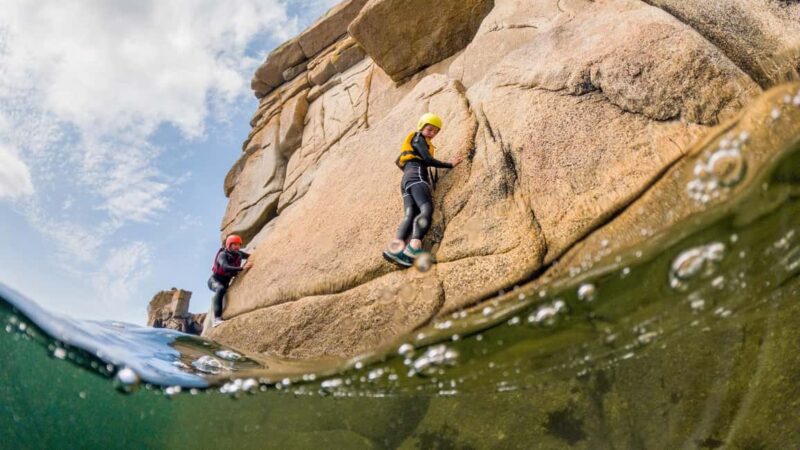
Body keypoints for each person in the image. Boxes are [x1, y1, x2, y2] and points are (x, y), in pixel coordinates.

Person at [383, 113, 464, 267]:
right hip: (417, 175)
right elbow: (427, 159)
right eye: (429, 129)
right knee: (426, 208)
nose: (432, 133)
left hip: (406, 180)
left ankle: (395, 249)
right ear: (422, 127)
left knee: (411, 213)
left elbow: (400, 162)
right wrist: (450, 164)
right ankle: (414, 247)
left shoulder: (412, 141)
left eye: (435, 131)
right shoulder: (418, 137)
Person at [208, 234, 252, 327]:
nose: (237, 247)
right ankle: (216, 319)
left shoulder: (239, 254)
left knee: (224, 289)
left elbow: (250, 256)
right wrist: (242, 268)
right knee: (220, 289)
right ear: (229, 245)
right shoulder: (222, 254)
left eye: (239, 245)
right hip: (214, 280)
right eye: (234, 244)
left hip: (226, 282)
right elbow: (225, 267)